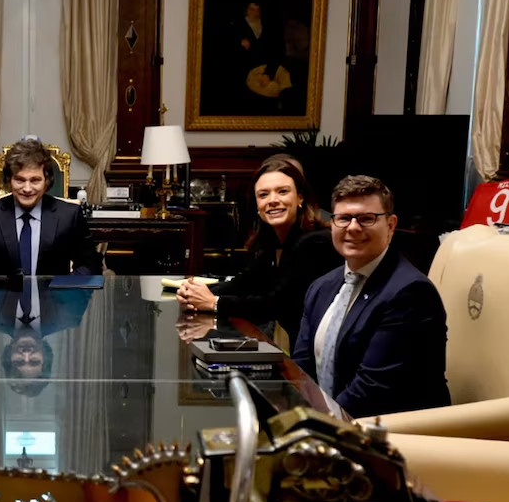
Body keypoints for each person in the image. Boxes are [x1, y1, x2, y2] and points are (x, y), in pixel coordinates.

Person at [291, 175, 450, 418]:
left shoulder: (411, 293)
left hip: (393, 435)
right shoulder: (321, 287)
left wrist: (316, 424)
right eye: (343, 218)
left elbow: (371, 390)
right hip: (333, 425)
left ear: (391, 225)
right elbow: (301, 368)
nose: (353, 227)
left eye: (366, 218)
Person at [177, 157, 340, 348]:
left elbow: (276, 305)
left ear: (300, 198)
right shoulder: (273, 240)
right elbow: (244, 283)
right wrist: (193, 294)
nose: (272, 201)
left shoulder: (315, 242)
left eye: (282, 192)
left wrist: (213, 302)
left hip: (320, 351)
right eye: (263, 195)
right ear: (257, 205)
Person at [0, 138, 102, 277]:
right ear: (9, 180)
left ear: (47, 181)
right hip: (1, 300)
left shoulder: (69, 215)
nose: (27, 188)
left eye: (35, 180)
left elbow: (90, 265)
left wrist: (63, 292)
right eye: (20, 180)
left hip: (53, 300)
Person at [0, 277, 94, 396]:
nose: (26, 354)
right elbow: (91, 272)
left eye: (19, 361)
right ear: (46, 358)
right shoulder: (70, 315)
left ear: (8, 356)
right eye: (34, 361)